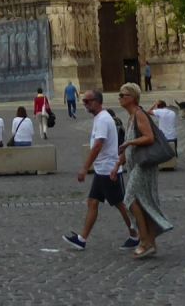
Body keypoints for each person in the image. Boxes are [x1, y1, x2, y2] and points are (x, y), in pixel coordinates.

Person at [63, 88, 140, 252]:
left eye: (87, 101)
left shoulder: (103, 120)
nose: (84, 104)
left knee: (120, 204)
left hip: (108, 169)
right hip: (102, 169)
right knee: (92, 202)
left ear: (97, 102)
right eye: (83, 101)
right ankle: (82, 239)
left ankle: (136, 234)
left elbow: (98, 145)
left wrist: (84, 168)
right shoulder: (100, 118)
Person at [116, 83, 175, 259]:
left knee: (130, 199)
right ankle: (150, 241)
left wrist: (130, 143)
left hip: (144, 166)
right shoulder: (130, 117)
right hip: (135, 166)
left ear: (132, 98)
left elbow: (148, 137)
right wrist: (117, 165)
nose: (119, 98)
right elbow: (128, 146)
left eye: (122, 95)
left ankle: (144, 240)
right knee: (141, 202)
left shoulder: (140, 114)